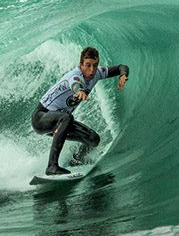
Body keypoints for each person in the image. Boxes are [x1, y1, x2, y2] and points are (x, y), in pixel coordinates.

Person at [32, 46, 129, 175]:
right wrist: (80, 91)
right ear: (81, 65)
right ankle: (52, 166)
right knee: (67, 118)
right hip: (41, 117)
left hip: (59, 123)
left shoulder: (97, 73)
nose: (92, 70)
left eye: (95, 65)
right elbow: (75, 84)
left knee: (93, 139)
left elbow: (121, 67)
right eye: (88, 65)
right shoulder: (74, 76)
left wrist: (123, 75)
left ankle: (77, 160)